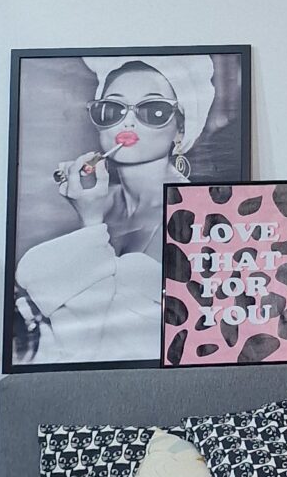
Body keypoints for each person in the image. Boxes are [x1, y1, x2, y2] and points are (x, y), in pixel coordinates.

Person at [12, 54, 216, 366]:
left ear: (180, 129)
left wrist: (90, 224)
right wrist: (90, 217)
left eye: (153, 110)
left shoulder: (199, 214)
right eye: (112, 109)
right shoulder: (95, 199)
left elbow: (98, 341)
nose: (127, 121)